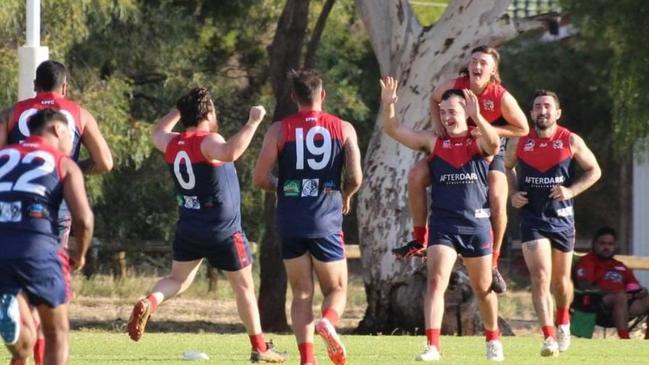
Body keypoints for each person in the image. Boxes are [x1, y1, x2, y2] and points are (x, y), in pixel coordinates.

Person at [125, 87, 286, 362]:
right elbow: (231, 152)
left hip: (189, 225)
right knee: (244, 287)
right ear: (207, 113)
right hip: (223, 229)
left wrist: (181, 107)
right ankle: (260, 348)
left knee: (177, 279)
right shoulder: (208, 140)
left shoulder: (172, 143)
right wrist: (253, 122)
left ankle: (150, 301)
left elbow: (156, 131)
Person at [380, 76, 504, 361]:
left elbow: (495, 144)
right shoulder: (434, 142)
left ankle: (493, 339)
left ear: (466, 113)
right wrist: (388, 106)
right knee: (436, 282)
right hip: (444, 226)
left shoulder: (477, 140)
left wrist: (478, 118)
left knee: (483, 288)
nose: (448, 117)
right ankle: (433, 346)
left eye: (454, 111)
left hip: (476, 226)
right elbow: (394, 129)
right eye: (444, 112)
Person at [0, 60, 113, 365]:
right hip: (49, 214)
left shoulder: (12, 112)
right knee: (54, 316)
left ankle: (20, 353)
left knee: (21, 299)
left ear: (34, 86)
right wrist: (75, 169)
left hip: (4, 218)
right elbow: (105, 162)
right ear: (64, 87)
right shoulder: (77, 113)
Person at [392, 46, 528, 294]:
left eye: (483, 63)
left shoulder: (501, 96)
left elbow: (522, 129)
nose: (477, 66)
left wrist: (487, 130)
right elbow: (434, 98)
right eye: (474, 60)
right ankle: (419, 237)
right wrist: (437, 123)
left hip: (487, 146)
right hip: (454, 144)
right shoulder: (456, 85)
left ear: (493, 70)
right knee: (416, 175)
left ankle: (494, 261)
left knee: (497, 198)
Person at [253, 69, 362, 365]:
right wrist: (347, 197)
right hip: (325, 220)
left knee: (301, 292)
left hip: (290, 220)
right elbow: (354, 176)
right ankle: (327, 321)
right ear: (322, 95)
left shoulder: (279, 130)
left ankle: (308, 359)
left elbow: (261, 177)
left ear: (293, 97)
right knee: (336, 288)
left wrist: (284, 189)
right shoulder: (343, 128)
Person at [505, 90, 601, 356]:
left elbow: (594, 170)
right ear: (532, 113)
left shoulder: (570, 140)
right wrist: (513, 193)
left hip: (561, 219)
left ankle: (563, 322)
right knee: (540, 276)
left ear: (557, 113)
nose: (542, 111)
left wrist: (571, 191)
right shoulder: (520, 142)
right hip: (532, 218)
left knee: (560, 281)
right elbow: (506, 167)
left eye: (547, 107)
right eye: (537, 107)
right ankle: (548, 337)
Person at [574, 226, 649, 339]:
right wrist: (617, 293)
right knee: (619, 296)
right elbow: (585, 286)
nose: (606, 247)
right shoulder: (587, 261)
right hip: (597, 305)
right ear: (594, 244)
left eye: (610, 244)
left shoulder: (619, 266)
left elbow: (634, 285)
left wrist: (641, 291)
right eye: (602, 243)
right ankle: (625, 339)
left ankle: (647, 342)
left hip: (624, 304)